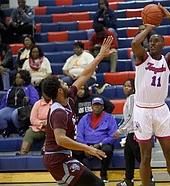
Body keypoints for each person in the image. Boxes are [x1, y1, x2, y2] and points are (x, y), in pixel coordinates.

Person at [42, 36, 113, 186]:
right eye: (63, 82)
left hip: (62, 156)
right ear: (60, 90)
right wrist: (88, 148)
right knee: (97, 184)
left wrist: (100, 55)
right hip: (57, 159)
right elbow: (60, 139)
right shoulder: (58, 112)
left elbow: (85, 74)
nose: (67, 83)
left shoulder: (69, 98)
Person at [131, 4, 170, 186]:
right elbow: (135, 43)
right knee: (146, 156)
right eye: (150, 41)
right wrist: (150, 26)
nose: (152, 43)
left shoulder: (168, 61)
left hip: (160, 109)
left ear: (163, 44)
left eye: (156, 41)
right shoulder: (142, 58)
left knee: (169, 153)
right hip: (142, 109)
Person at [114, 78, 154, 186]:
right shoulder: (130, 99)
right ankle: (128, 180)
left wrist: (120, 130)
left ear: (134, 88)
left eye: (129, 86)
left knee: (140, 157)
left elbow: (131, 116)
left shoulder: (133, 98)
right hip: (130, 132)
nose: (126, 88)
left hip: (135, 132)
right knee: (128, 156)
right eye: (125, 86)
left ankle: (149, 179)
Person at [73, 97, 118, 183]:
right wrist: (86, 147)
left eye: (99, 105)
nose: (97, 107)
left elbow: (113, 136)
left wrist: (100, 144)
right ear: (92, 107)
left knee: (107, 150)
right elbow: (79, 134)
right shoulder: (85, 118)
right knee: (73, 151)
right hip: (86, 144)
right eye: (95, 105)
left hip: (101, 145)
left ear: (103, 107)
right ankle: (87, 174)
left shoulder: (109, 118)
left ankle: (103, 174)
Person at [0, 70, 39, 137]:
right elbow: (4, 101)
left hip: (24, 108)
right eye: (16, 78)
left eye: (19, 78)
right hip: (10, 107)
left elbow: (35, 99)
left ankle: (21, 129)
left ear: (24, 79)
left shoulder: (30, 88)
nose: (17, 79)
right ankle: (5, 131)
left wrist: (29, 100)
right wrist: (0, 109)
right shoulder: (11, 88)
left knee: (15, 114)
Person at [16, 91, 52, 156]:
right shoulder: (37, 104)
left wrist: (48, 123)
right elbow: (33, 119)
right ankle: (23, 152)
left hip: (50, 128)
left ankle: (45, 150)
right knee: (29, 133)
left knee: (52, 131)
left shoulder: (55, 104)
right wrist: (42, 123)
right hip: (38, 128)